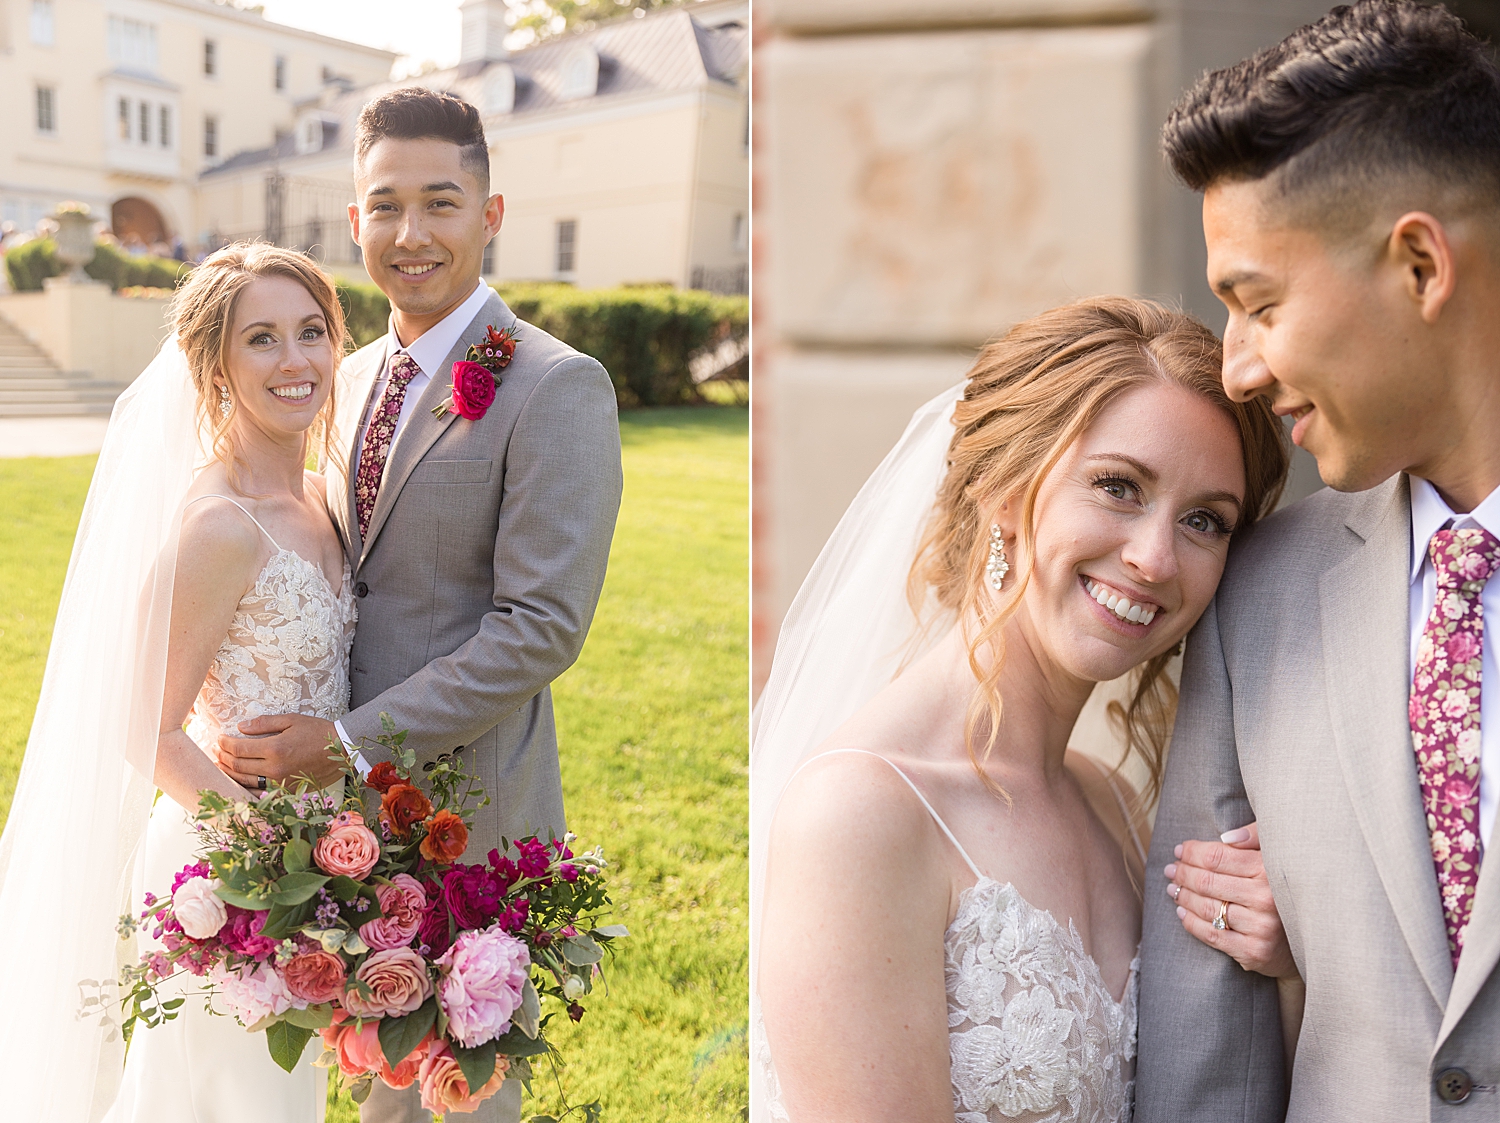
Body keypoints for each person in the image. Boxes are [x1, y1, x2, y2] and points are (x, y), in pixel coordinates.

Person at [751, 297, 1293, 1122]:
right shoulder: (859, 814)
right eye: (1118, 486)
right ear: (1005, 489)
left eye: (1203, 521)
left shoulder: (1113, 803)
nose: (1154, 557)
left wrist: (1285, 957)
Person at [211, 87, 623, 1123]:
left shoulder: (555, 386)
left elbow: (541, 629)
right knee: (374, 1085)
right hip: (343, 831)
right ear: (354, 223)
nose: (411, 234)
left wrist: (345, 742)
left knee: (462, 1096)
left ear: (489, 213)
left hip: (471, 818)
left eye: (440, 203)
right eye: (384, 206)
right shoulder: (338, 378)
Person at [1137, 3, 1500, 1118]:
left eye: (1258, 304)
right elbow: (1208, 1049)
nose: (1237, 368)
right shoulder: (1258, 589)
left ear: (1420, 264)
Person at [0, 242, 352, 1119]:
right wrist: (271, 856)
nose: (296, 359)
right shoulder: (220, 526)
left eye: (312, 331)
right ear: (217, 366)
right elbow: (139, 725)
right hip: (226, 868)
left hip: (315, 858)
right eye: (262, 339)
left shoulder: (320, 496)